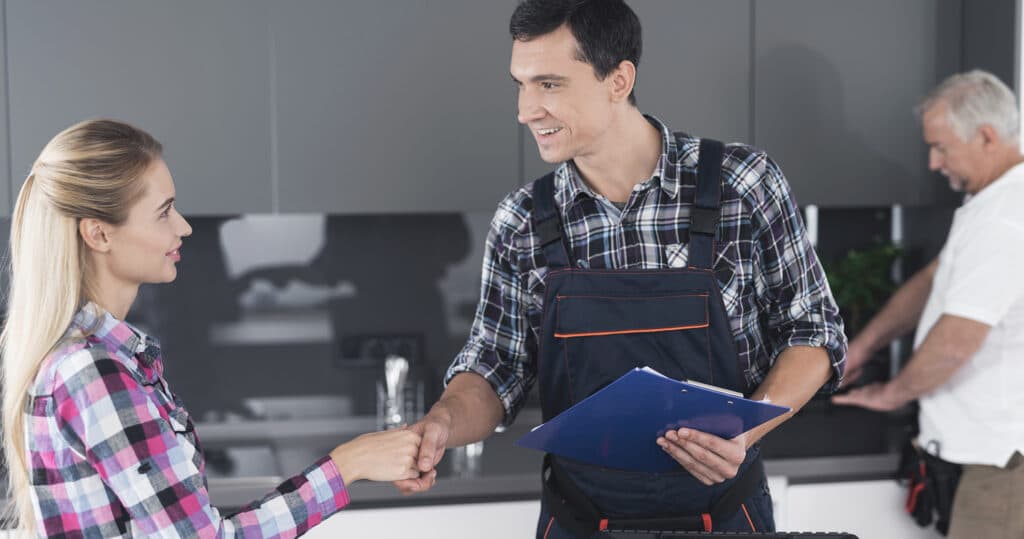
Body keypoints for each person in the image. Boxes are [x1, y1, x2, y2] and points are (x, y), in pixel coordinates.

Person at [395, 1, 847, 536]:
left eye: (549, 84)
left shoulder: (742, 184)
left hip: (725, 516)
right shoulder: (522, 220)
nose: (525, 109)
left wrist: (744, 433)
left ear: (618, 80)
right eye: (520, 84)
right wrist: (441, 424)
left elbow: (813, 332)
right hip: (582, 521)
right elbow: (496, 367)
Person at [0, 119, 426, 537]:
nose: (183, 226)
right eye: (163, 212)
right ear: (99, 234)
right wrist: (347, 465)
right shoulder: (95, 373)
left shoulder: (89, 360)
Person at [834, 70, 1024, 539]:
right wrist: (863, 346)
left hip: (1000, 467)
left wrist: (890, 393)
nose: (934, 163)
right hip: (981, 455)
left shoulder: (1005, 218)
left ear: (985, 136)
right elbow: (934, 280)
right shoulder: (991, 203)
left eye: (941, 147)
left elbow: (956, 344)